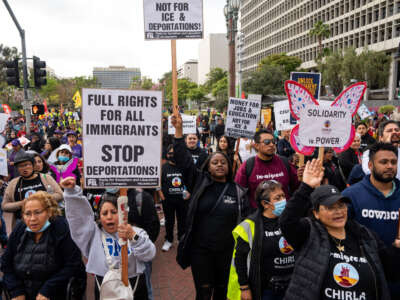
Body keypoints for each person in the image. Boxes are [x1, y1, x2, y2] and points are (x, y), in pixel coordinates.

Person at [279, 159, 400, 300]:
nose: (338, 212)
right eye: (330, 207)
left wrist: (397, 246)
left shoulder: (365, 236)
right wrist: (306, 187)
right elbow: (287, 221)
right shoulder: (309, 234)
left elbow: (391, 272)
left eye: (341, 206)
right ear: (316, 213)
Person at [171, 114, 249, 300]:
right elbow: (183, 158)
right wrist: (179, 131)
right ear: (208, 166)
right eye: (215, 162)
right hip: (201, 252)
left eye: (223, 162)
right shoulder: (198, 182)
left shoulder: (238, 191)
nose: (220, 165)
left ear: (230, 167)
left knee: (222, 293)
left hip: (228, 253)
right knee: (204, 293)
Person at [61, 177, 156, 300]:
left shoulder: (136, 232)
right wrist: (72, 193)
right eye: (104, 213)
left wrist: (134, 237)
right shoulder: (93, 235)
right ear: (99, 217)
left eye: (114, 212)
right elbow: (79, 219)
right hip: (104, 287)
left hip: (135, 287)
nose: (109, 217)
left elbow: (149, 254)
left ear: (122, 214)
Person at [342, 142, 400, 298]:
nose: (389, 166)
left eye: (393, 162)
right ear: (370, 165)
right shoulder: (351, 195)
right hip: (364, 275)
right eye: (383, 162)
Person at [1, 191, 83, 300]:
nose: (32, 218)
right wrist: (16, 291)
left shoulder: (61, 227)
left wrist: (48, 290)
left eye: (38, 212)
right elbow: (6, 264)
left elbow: (73, 265)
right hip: (23, 293)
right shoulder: (20, 229)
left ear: (49, 212)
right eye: (28, 214)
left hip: (55, 293)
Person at [227, 180, 295, 300]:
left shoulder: (290, 221)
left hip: (292, 286)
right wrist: (244, 287)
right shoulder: (249, 226)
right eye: (278, 198)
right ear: (265, 204)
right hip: (267, 290)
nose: (283, 200)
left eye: (284, 196)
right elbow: (240, 260)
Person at [235, 129, 299, 209]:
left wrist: (302, 178)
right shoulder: (247, 166)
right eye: (267, 142)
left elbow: (297, 187)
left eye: (273, 141)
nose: (272, 144)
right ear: (256, 146)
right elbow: (238, 193)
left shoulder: (284, 162)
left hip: (284, 215)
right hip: (258, 217)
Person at [2, 152, 63, 229]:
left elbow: (60, 195)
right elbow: (4, 206)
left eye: (27, 164)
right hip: (23, 225)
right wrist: (21, 203)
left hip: (48, 222)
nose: (24, 168)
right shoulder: (13, 183)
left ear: (33, 165)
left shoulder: (45, 178)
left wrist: (41, 199)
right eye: (20, 166)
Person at [127, 187, 160, 300]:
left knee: (145, 288)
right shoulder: (107, 198)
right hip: (116, 256)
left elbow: (153, 226)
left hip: (139, 255)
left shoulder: (141, 197)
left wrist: (143, 245)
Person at [158, 145, 189, 252]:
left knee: (182, 220)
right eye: (170, 153)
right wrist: (161, 195)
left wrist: (188, 192)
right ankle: (169, 239)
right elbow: (158, 182)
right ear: (167, 155)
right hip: (168, 201)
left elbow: (190, 181)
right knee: (169, 221)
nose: (172, 155)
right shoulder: (163, 167)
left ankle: (181, 238)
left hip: (182, 200)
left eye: (174, 153)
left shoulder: (184, 166)